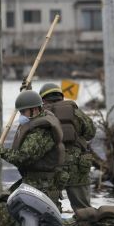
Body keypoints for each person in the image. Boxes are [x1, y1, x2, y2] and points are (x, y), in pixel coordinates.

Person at [0, 90, 67, 209]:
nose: (21, 115)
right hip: (33, 180)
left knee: (9, 208)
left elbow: (24, 157)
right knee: (2, 202)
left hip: (42, 184)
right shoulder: (36, 120)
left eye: (24, 111)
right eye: (20, 112)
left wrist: (2, 152)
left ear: (35, 109)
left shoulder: (41, 131)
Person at [38, 83, 96, 211]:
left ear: (42, 98)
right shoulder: (75, 111)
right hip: (78, 166)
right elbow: (90, 133)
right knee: (83, 209)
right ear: (61, 96)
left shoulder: (39, 114)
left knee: (50, 208)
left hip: (53, 167)